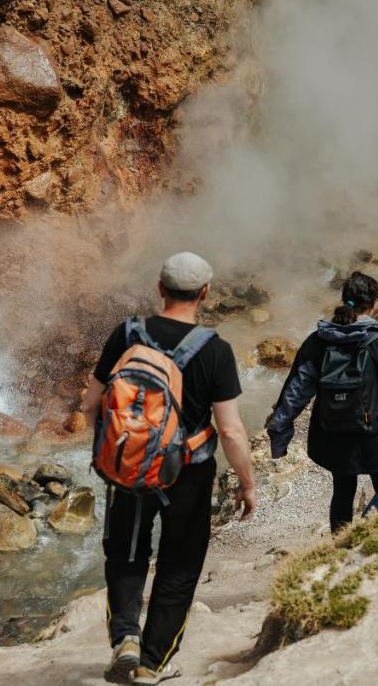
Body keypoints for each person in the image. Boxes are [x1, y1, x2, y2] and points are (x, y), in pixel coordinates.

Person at [81, 251, 257, 685]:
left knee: (126, 551)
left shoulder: (127, 334)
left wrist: (116, 450)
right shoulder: (214, 350)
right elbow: (231, 431)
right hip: (189, 474)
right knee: (179, 563)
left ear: (159, 287)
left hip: (131, 466)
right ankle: (152, 663)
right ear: (205, 293)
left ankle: (125, 636)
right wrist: (246, 483)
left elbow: (91, 404)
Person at [266, 271, 378, 532]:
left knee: (343, 489)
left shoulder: (317, 343)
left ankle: (338, 545)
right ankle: (361, 536)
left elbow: (294, 393)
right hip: (375, 434)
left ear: (343, 300)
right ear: (374, 304)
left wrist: (279, 435)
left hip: (331, 434)